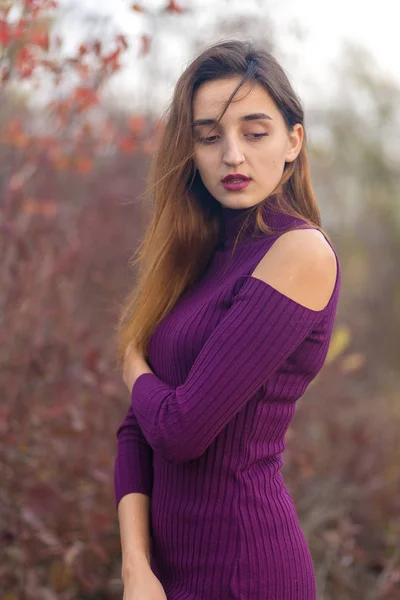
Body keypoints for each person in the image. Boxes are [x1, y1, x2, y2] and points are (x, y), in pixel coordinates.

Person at [114, 38, 341, 600]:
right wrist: (136, 569)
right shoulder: (193, 260)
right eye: (210, 136)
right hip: (163, 577)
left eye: (255, 132)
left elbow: (179, 430)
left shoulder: (299, 253)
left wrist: (130, 367)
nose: (232, 155)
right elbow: (136, 431)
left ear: (293, 141)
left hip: (247, 572)